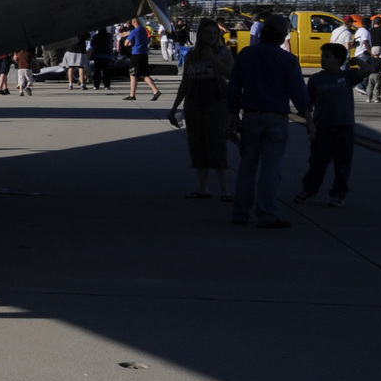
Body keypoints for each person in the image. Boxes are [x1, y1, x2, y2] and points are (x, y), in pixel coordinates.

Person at [227, 14, 311, 228]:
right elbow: (299, 93)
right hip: (276, 118)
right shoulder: (288, 60)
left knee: (247, 167)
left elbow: (234, 86)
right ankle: (267, 214)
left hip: (251, 116)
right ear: (283, 36)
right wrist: (309, 119)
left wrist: (232, 114)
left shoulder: (246, 55)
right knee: (271, 169)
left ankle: (240, 213)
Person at [168, 17, 233, 200]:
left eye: (214, 33)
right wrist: (174, 107)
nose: (211, 36)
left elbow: (232, 75)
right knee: (197, 144)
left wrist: (213, 60)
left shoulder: (224, 53)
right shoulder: (191, 56)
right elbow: (185, 82)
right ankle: (203, 187)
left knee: (218, 144)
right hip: (194, 103)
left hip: (217, 102)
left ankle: (225, 189)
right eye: (207, 33)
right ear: (200, 36)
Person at [295, 44, 366, 208]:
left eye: (327, 56)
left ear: (339, 60)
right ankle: (310, 190)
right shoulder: (316, 79)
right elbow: (307, 104)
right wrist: (310, 124)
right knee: (318, 161)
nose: (323, 59)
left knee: (343, 163)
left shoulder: (347, 76)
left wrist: (356, 60)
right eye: (323, 56)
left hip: (344, 126)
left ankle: (339, 194)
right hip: (323, 127)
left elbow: (368, 69)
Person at [121, 18, 159, 101]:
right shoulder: (144, 30)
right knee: (144, 74)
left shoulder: (135, 31)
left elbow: (126, 43)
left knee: (133, 74)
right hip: (144, 54)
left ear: (134, 22)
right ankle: (155, 90)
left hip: (136, 54)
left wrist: (129, 42)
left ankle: (132, 94)